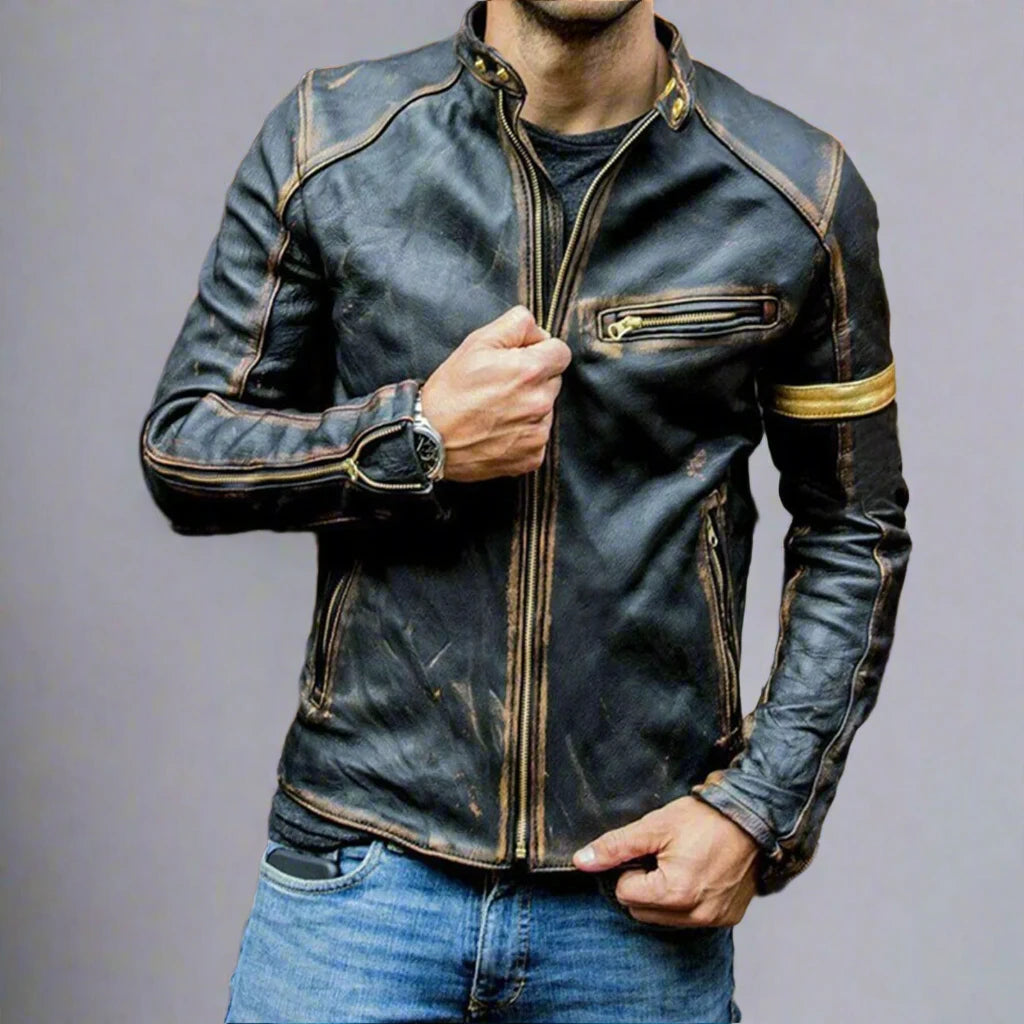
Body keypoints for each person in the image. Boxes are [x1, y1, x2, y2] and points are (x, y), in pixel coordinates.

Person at [138, 1, 911, 1020]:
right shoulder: (331, 139)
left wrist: (760, 807)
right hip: (360, 875)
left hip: (629, 909)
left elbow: (855, 526)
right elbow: (187, 449)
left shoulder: (794, 192)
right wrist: (415, 439)